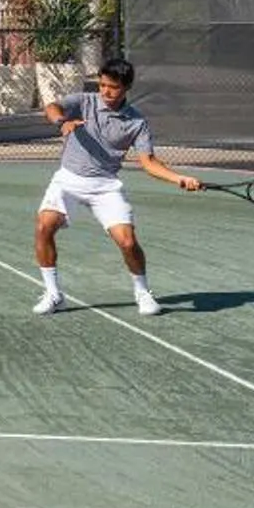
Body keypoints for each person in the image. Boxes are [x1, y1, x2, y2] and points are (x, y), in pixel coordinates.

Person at [34, 56, 199, 316]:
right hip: (68, 180)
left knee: (128, 242)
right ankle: (54, 294)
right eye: (102, 85)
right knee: (44, 226)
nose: (106, 92)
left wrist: (179, 178)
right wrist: (62, 122)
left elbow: (150, 163)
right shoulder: (83, 102)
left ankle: (143, 293)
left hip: (105, 186)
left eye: (113, 87)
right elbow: (52, 107)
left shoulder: (137, 123)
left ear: (126, 88)